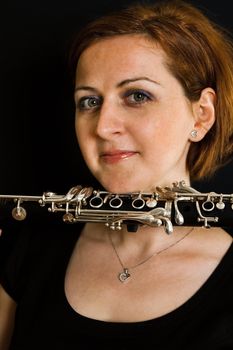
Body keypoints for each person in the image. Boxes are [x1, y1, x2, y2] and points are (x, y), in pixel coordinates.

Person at [1, 0, 233, 348]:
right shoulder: (28, 249)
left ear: (201, 115)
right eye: (89, 102)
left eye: (137, 95)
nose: (104, 127)